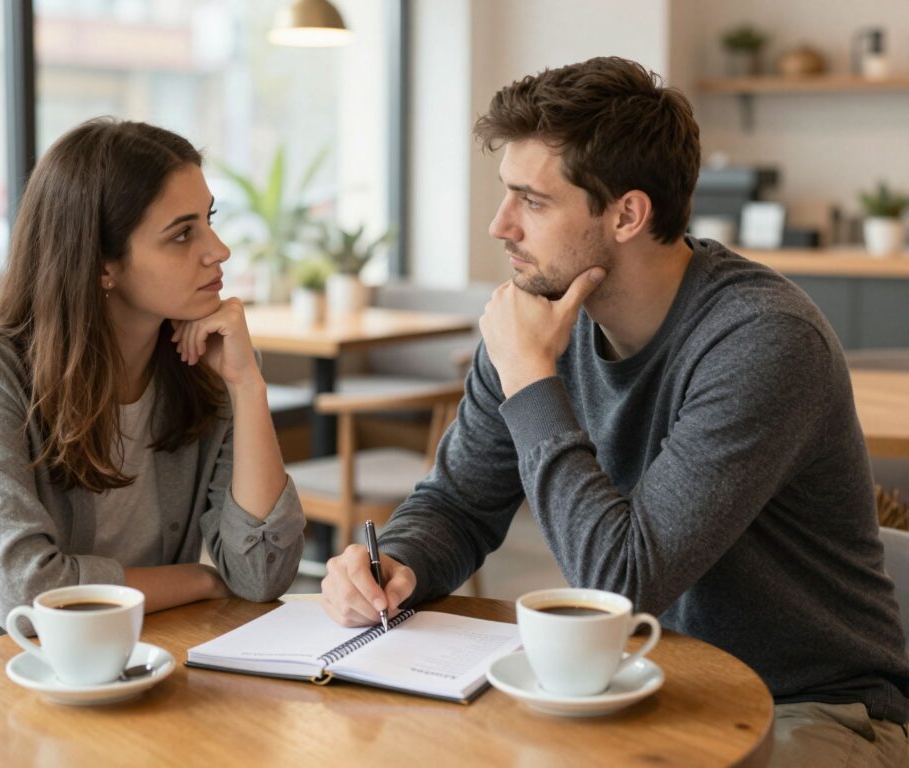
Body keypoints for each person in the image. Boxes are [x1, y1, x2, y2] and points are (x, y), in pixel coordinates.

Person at [321, 57, 909, 765]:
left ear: (628, 214)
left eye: (531, 201)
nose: (499, 225)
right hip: (638, 683)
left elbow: (620, 582)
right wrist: (397, 564)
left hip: (816, 706)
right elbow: (457, 502)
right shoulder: (534, 323)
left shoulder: (763, 340)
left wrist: (530, 378)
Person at [0, 118, 305, 767]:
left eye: (209, 219)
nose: (219, 250)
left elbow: (258, 573)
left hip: (135, 672)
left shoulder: (202, 368)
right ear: (103, 264)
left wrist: (248, 384)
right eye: (183, 233)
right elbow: (27, 594)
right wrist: (200, 579)